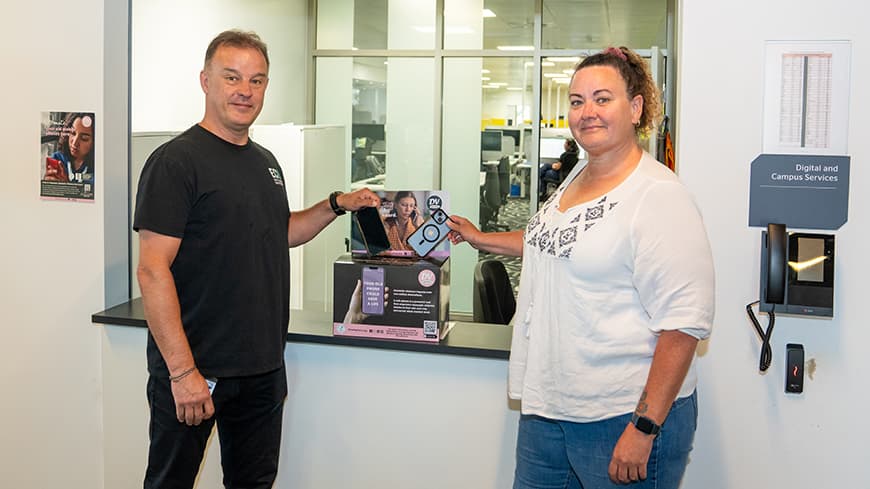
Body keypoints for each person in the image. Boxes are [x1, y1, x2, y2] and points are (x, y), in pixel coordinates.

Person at [447, 46, 714, 489]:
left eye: (602, 98)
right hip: (549, 407)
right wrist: (480, 238)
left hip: (619, 416)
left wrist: (644, 427)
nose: (586, 112)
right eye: (576, 101)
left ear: (635, 108)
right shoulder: (577, 178)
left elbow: (684, 325)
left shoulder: (659, 196)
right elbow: (552, 242)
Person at [133, 30, 379, 489]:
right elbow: (152, 269)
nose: (245, 90)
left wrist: (335, 203)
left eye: (257, 80)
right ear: (205, 81)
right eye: (232, 77)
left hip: (262, 368)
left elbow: (278, 232)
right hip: (198, 371)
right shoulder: (175, 162)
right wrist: (183, 373)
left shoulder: (265, 161)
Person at [44, 112, 95, 184]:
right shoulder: (57, 158)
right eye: (73, 133)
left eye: (84, 138)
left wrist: (66, 185)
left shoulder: (97, 168)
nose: (74, 143)